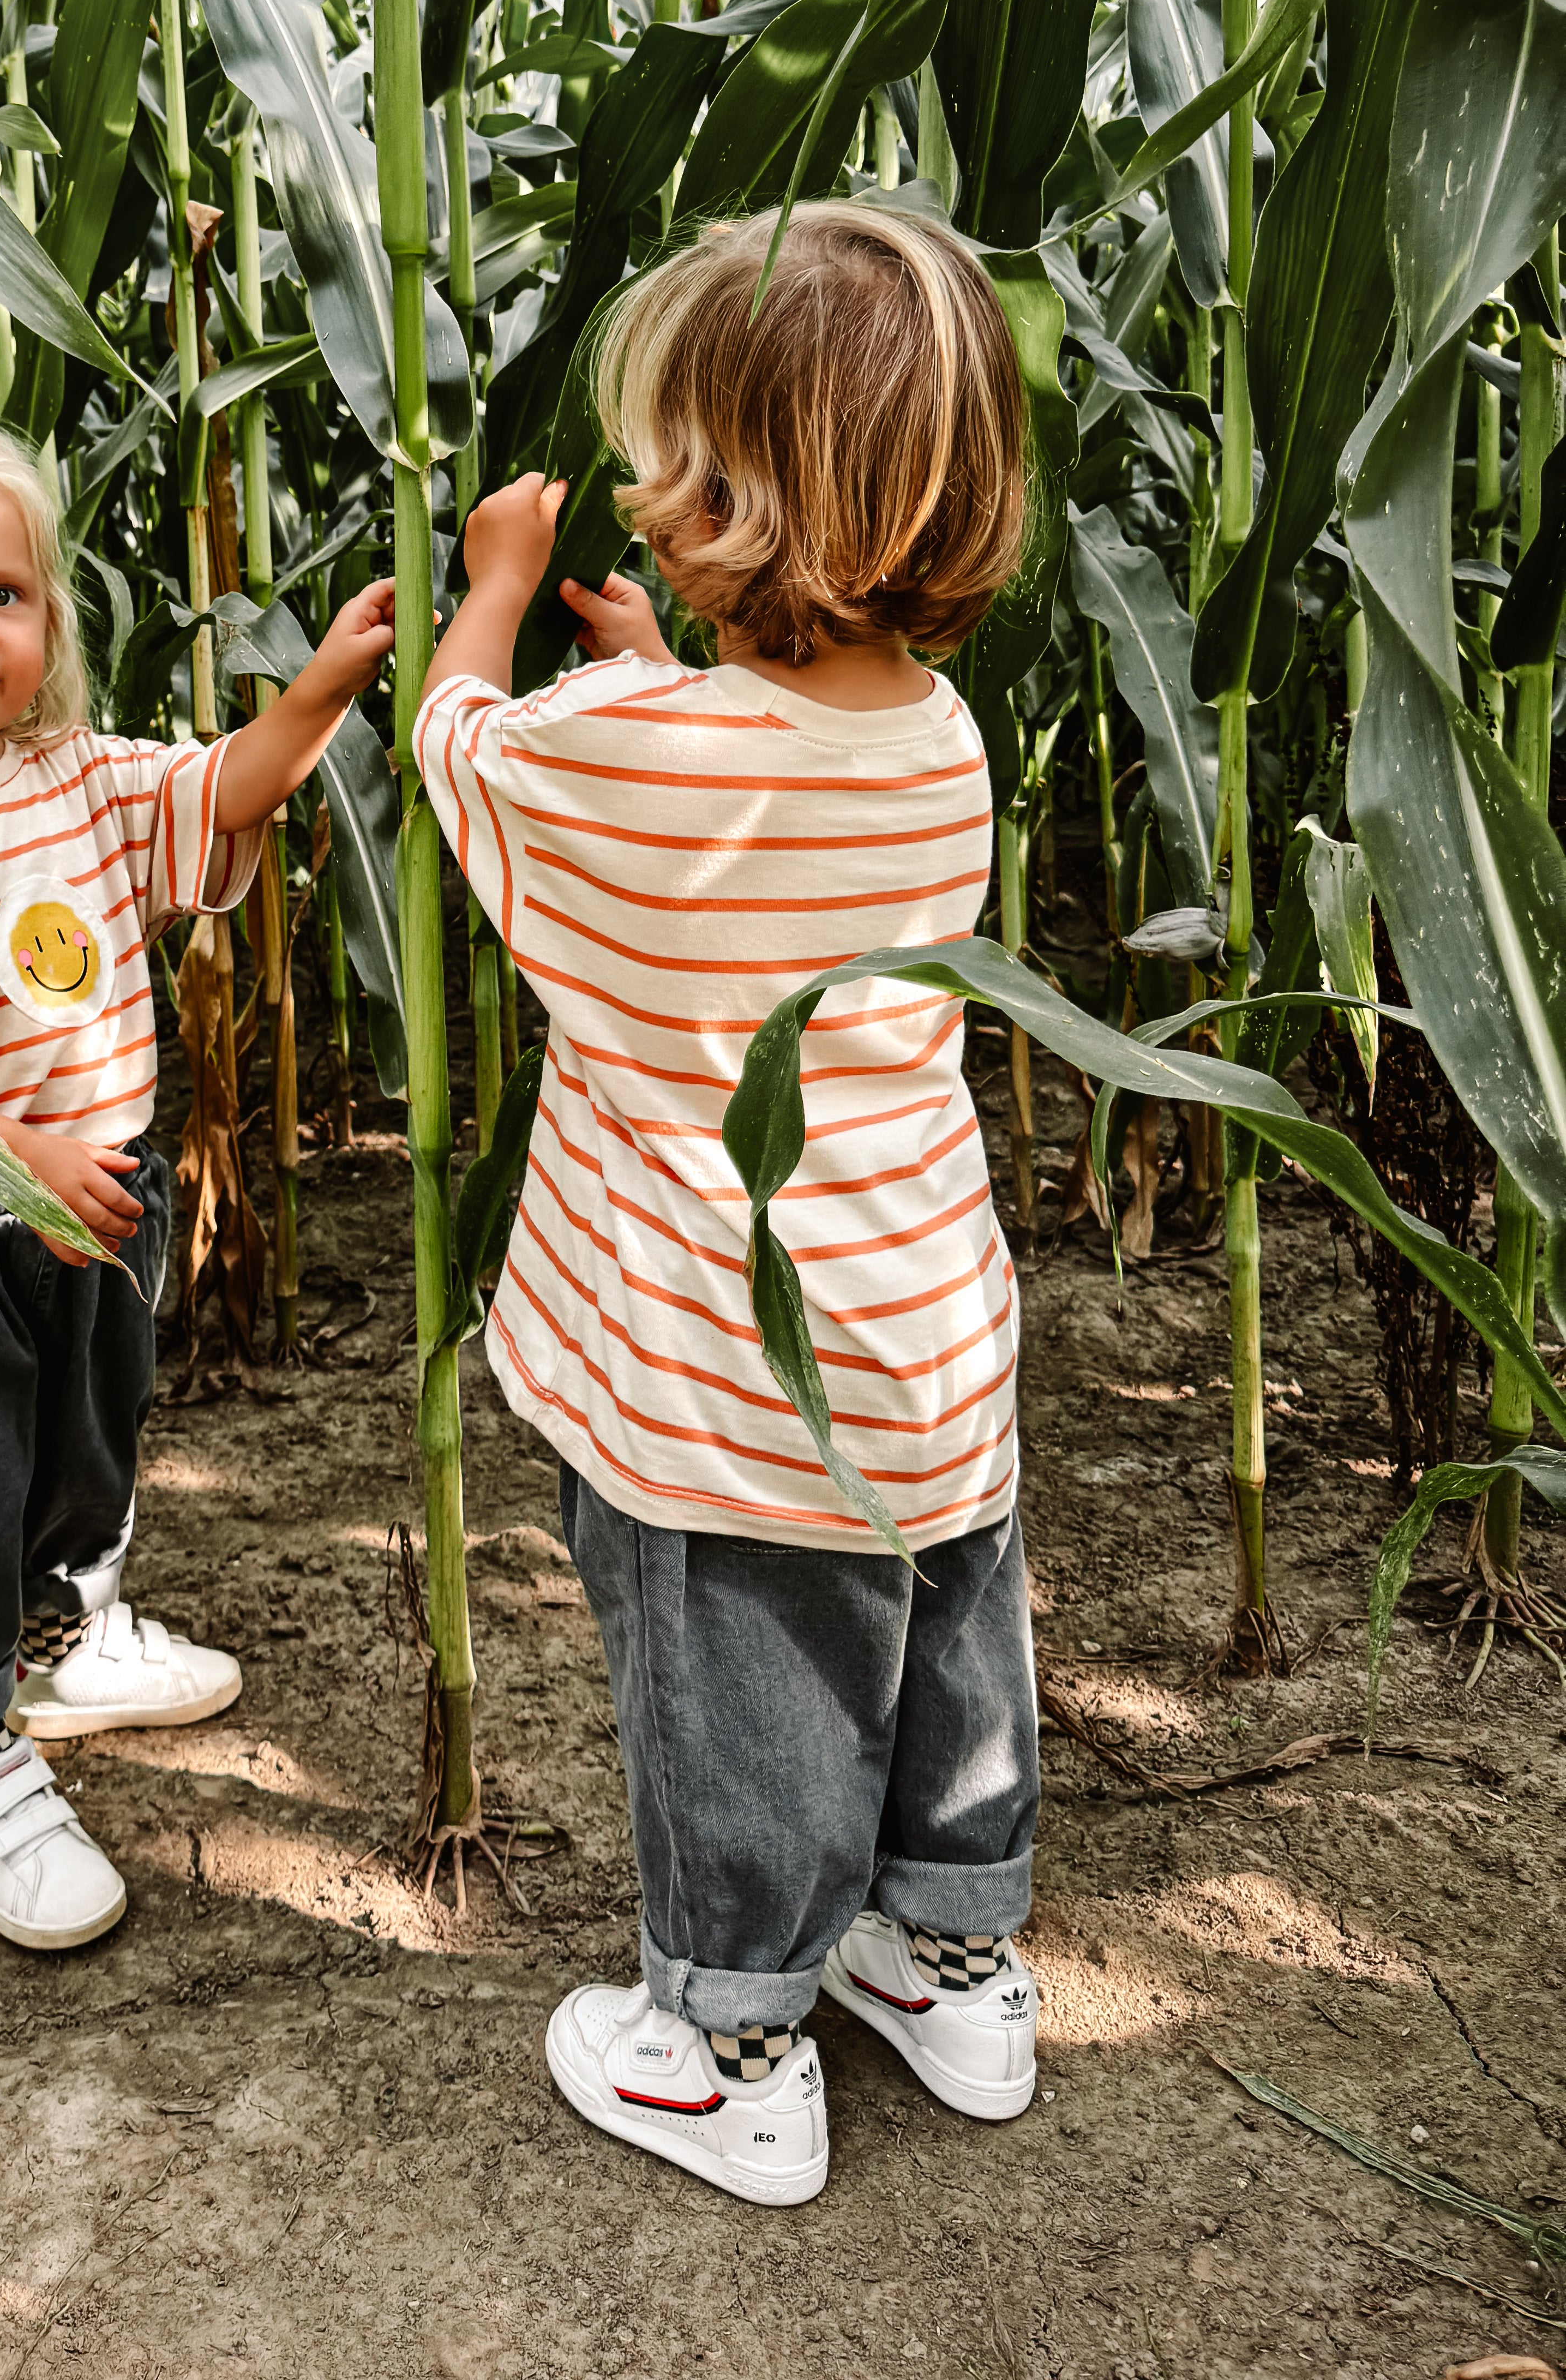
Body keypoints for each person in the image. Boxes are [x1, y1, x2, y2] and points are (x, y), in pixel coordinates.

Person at [417, 200, 1037, 2208]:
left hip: (719, 1359)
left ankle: (728, 2047)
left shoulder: (619, 751)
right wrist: (659, 663)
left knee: (740, 1689)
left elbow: (470, 770)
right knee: (944, 1645)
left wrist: (498, 598)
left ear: (741, 504)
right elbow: (760, 782)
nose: (626, 491)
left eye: (666, 467)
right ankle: (952, 1965)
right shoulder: (942, 743)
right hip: (923, 1320)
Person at [0, 415, 394, 1952]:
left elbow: (228, 792)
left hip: (96, 1201)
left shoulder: (80, 779)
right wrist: (9, 1148)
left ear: (50, 620)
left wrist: (320, 688)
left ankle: (67, 1636)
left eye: (4, 594)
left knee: (85, 1442)